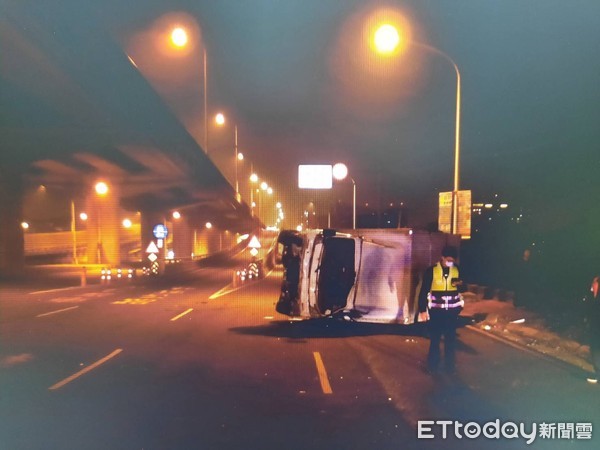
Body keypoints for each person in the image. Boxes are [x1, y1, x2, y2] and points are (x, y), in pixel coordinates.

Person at [418, 245, 465, 374]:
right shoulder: (431, 271)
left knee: (450, 340)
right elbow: (424, 291)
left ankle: (450, 367)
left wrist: (460, 285)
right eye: (448, 260)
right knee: (435, 340)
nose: (450, 263)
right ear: (442, 258)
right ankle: (433, 366)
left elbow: (462, 289)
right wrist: (422, 310)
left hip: (451, 313)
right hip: (436, 312)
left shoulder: (457, 270)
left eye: (452, 260)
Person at [584, 276, 600, 384]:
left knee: (596, 351)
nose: (591, 288)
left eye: (593, 285)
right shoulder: (594, 299)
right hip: (595, 328)